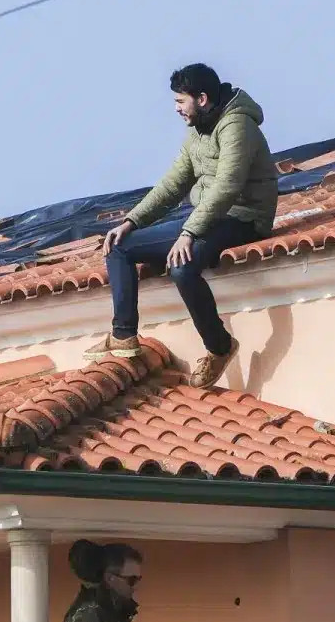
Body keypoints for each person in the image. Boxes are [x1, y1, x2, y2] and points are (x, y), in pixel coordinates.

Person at [88, 63, 280, 388]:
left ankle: (219, 347)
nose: (177, 108)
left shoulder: (237, 126)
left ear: (202, 98)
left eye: (180, 101)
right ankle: (123, 337)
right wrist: (132, 220)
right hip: (208, 216)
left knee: (182, 267)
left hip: (244, 217)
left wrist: (189, 232)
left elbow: (228, 186)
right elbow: (173, 183)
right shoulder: (197, 131)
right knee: (119, 247)